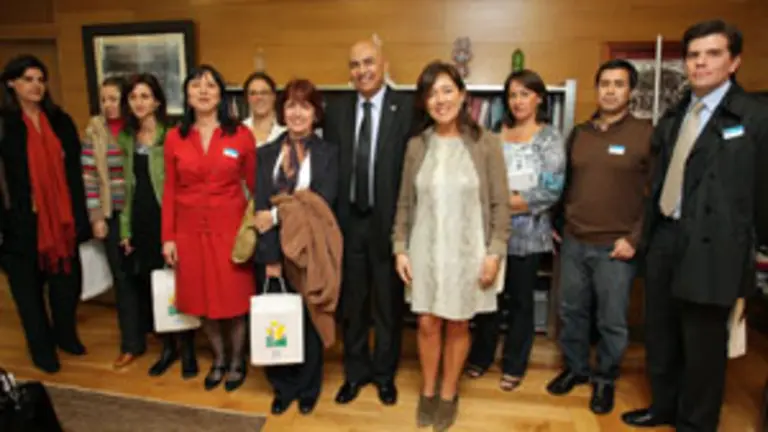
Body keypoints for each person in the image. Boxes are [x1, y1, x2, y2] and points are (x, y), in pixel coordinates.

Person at [622, 20, 768, 431]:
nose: (700, 63)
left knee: (703, 345)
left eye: (713, 54)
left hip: (715, 248)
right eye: (693, 55)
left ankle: (696, 423)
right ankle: (663, 407)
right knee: (661, 334)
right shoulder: (677, 112)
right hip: (665, 237)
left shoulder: (755, 117)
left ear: (734, 62)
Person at [392, 61, 510, 431]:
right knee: (427, 321)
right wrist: (400, 246)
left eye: (447, 90)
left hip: (468, 250)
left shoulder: (486, 144)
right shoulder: (417, 146)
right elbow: (405, 203)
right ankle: (428, 390)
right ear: (424, 102)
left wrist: (494, 252)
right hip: (425, 247)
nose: (440, 100)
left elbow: (500, 204)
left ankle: (448, 392)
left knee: (458, 322)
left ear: (462, 95)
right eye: (431, 94)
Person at [547, 59, 653, 414]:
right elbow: (567, 182)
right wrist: (558, 222)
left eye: (618, 84)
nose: (610, 90)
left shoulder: (646, 134)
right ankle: (576, 368)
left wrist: (635, 239)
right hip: (575, 240)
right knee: (571, 311)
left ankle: (605, 378)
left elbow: (656, 194)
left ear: (630, 91)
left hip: (617, 247)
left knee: (611, 320)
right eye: (605, 83)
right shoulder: (581, 133)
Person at [324, 38, 413, 406]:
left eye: (368, 62)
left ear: (384, 64)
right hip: (349, 221)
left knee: (387, 304)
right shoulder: (337, 110)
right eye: (354, 64)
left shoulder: (406, 108)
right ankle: (355, 372)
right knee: (353, 304)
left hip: (388, 221)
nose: (361, 71)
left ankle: (384, 375)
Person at [466, 69, 565, 391]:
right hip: (491, 234)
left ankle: (514, 364)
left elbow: (550, 190)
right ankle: (481, 356)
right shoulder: (495, 133)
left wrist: (503, 202)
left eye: (525, 94)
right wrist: (497, 203)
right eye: (512, 95)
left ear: (539, 98)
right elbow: (480, 179)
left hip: (529, 235)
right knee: (488, 298)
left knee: (521, 301)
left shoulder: (550, 138)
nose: (518, 101)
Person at [162, 65, 256, 392]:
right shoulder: (174, 137)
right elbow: (170, 190)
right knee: (201, 300)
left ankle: (237, 361)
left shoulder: (240, 135)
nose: (203, 91)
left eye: (211, 85)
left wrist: (258, 229)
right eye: (196, 85)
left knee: (234, 299)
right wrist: (168, 238)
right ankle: (219, 358)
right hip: (189, 232)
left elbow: (256, 186)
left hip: (230, 231)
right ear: (186, 94)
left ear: (221, 94)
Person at [252, 78, 339, 416]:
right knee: (278, 318)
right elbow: (260, 210)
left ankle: (308, 387)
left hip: (311, 251)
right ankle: (282, 386)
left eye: (305, 106)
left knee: (309, 321)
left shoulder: (329, 154)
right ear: (282, 111)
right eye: (291, 106)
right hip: (275, 250)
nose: (297, 113)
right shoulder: (266, 155)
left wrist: (278, 213)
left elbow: (321, 204)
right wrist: (270, 256)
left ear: (316, 113)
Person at [0, 55, 90, 373]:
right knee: (29, 294)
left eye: (40, 79)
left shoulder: (60, 121)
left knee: (67, 286)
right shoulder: (4, 125)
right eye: (28, 79)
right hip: (19, 223)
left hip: (61, 221)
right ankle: (41, 349)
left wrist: (81, 216)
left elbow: (75, 173)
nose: (36, 86)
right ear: (11, 83)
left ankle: (65, 335)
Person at [118, 73, 198, 378]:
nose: (139, 103)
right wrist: (125, 230)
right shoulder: (126, 138)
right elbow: (124, 188)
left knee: (180, 285)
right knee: (155, 287)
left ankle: (188, 348)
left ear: (157, 101)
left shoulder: (173, 135)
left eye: (145, 96)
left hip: (169, 221)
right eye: (133, 97)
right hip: (140, 221)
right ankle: (167, 348)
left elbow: (182, 184)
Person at [81, 76, 138, 369]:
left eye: (114, 99)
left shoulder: (137, 128)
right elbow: (89, 178)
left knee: (147, 275)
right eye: (103, 99)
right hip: (112, 214)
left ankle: (157, 334)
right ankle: (130, 343)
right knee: (123, 279)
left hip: (140, 213)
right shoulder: (94, 131)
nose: (108, 105)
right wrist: (97, 218)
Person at [242, 71, 285, 147]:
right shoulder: (239, 131)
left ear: (274, 96)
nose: (259, 97)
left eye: (264, 92)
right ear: (247, 98)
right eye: (253, 93)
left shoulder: (286, 130)